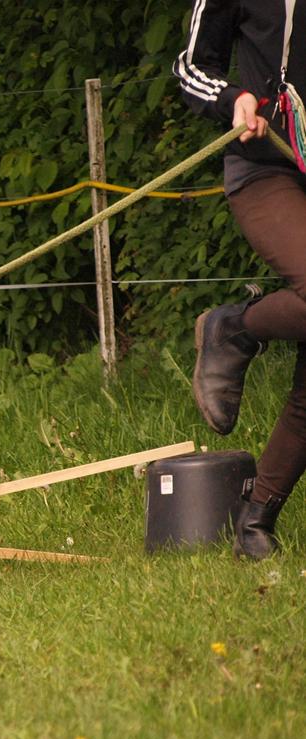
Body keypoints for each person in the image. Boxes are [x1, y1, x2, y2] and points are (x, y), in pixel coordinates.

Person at [174, 0, 306, 559]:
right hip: (266, 167)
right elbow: (190, 67)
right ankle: (236, 328)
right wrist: (235, 98)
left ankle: (255, 522)